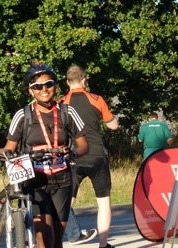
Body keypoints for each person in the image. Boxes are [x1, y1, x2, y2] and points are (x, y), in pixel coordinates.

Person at [0, 62, 89, 248]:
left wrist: (72, 151)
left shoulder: (68, 112)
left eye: (48, 84)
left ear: (56, 87)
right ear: (30, 91)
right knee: (44, 235)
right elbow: (8, 148)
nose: (44, 89)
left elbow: (84, 145)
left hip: (63, 180)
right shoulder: (23, 116)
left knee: (57, 240)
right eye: (37, 86)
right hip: (34, 180)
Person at [60, 65, 119, 248]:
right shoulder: (96, 99)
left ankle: (67, 237)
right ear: (84, 80)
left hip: (73, 157)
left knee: (65, 203)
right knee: (103, 203)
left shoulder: (61, 103)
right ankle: (102, 245)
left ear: (67, 81)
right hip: (96, 155)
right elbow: (113, 126)